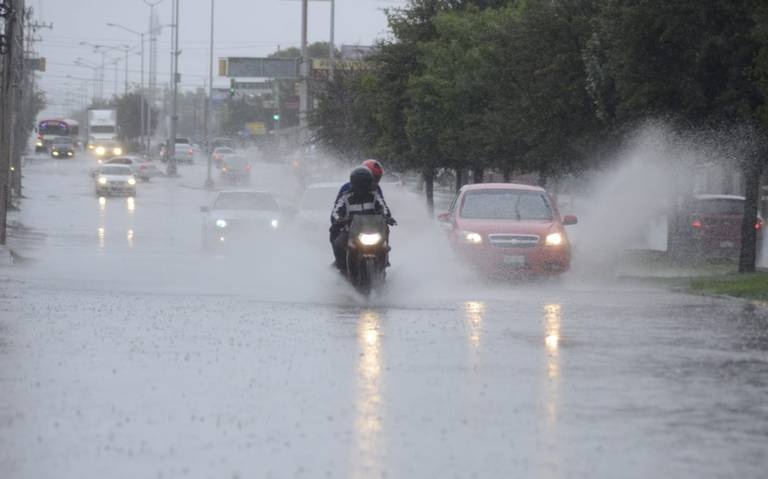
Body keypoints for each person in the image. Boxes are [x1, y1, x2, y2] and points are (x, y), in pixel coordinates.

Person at [330, 166, 394, 272]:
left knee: (385, 234)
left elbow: (384, 207)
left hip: (374, 229)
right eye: (359, 184)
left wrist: (387, 217)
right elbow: (335, 212)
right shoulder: (345, 196)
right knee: (338, 243)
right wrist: (340, 219)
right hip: (351, 231)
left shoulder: (375, 195)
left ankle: (384, 261)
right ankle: (342, 268)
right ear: (353, 184)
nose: (362, 187)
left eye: (365, 183)